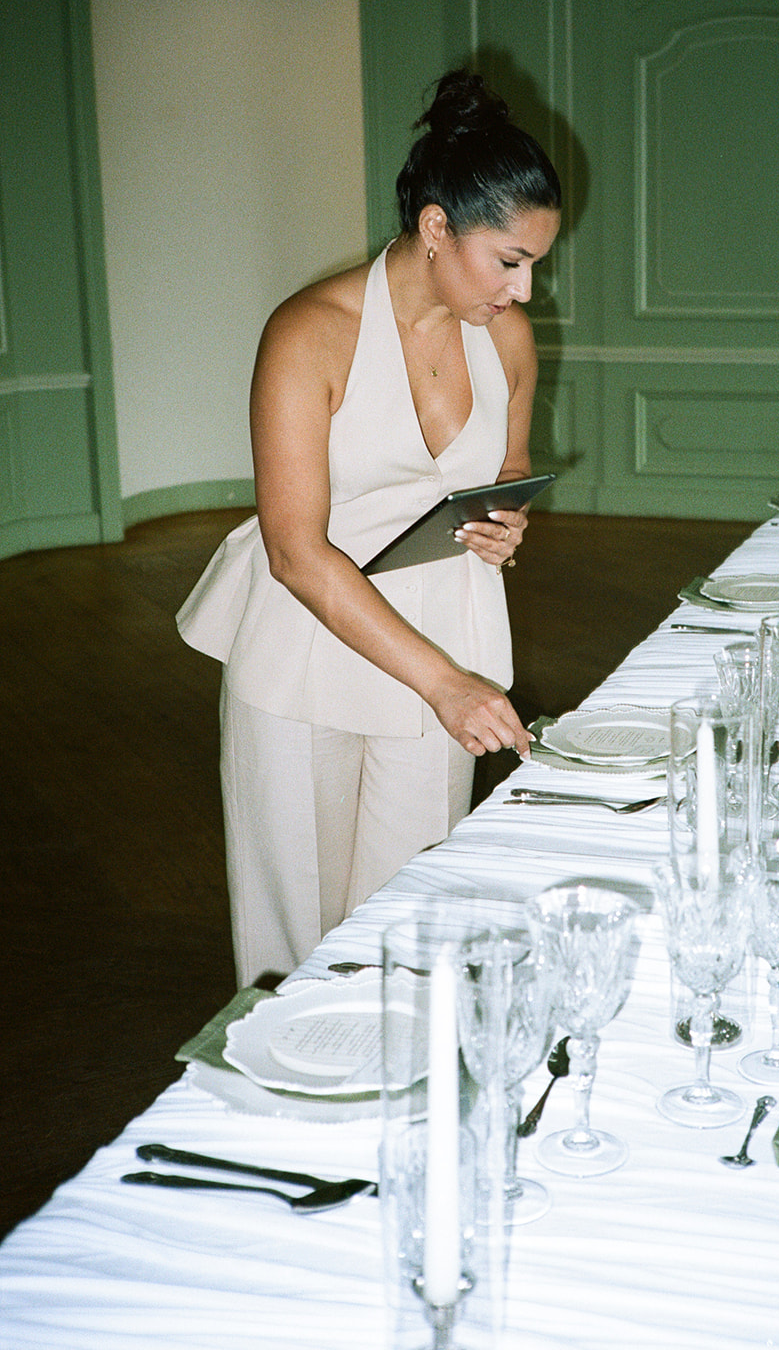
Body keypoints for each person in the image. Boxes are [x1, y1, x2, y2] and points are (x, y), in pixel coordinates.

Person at [177, 70, 562, 984]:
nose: (524, 289)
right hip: (308, 647)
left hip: (446, 634)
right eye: (508, 260)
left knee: (412, 922)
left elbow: (506, 472)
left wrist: (506, 521)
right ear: (436, 227)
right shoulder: (309, 332)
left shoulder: (505, 337)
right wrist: (446, 686)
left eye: (535, 265)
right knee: (296, 946)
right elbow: (294, 552)